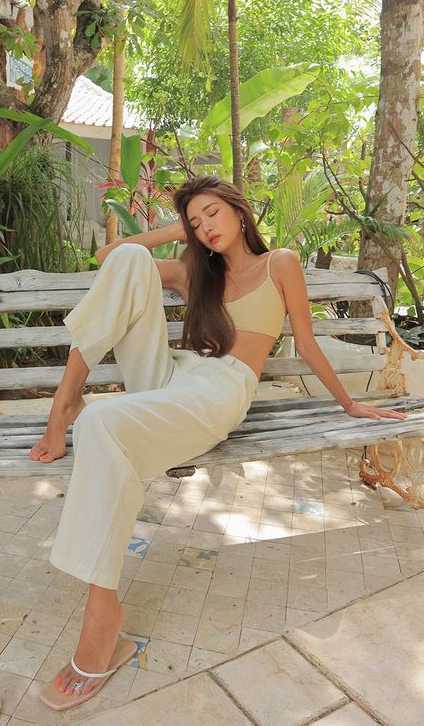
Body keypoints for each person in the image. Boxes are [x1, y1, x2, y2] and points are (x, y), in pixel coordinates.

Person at [29, 174, 406, 710]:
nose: (205, 227)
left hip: (220, 389)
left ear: (238, 210)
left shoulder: (280, 264)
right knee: (130, 260)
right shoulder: (195, 274)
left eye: (212, 213)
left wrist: (349, 403)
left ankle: (102, 611)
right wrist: (176, 230)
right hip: (170, 374)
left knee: (100, 425)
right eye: (195, 221)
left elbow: (305, 341)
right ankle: (66, 399)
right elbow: (109, 257)